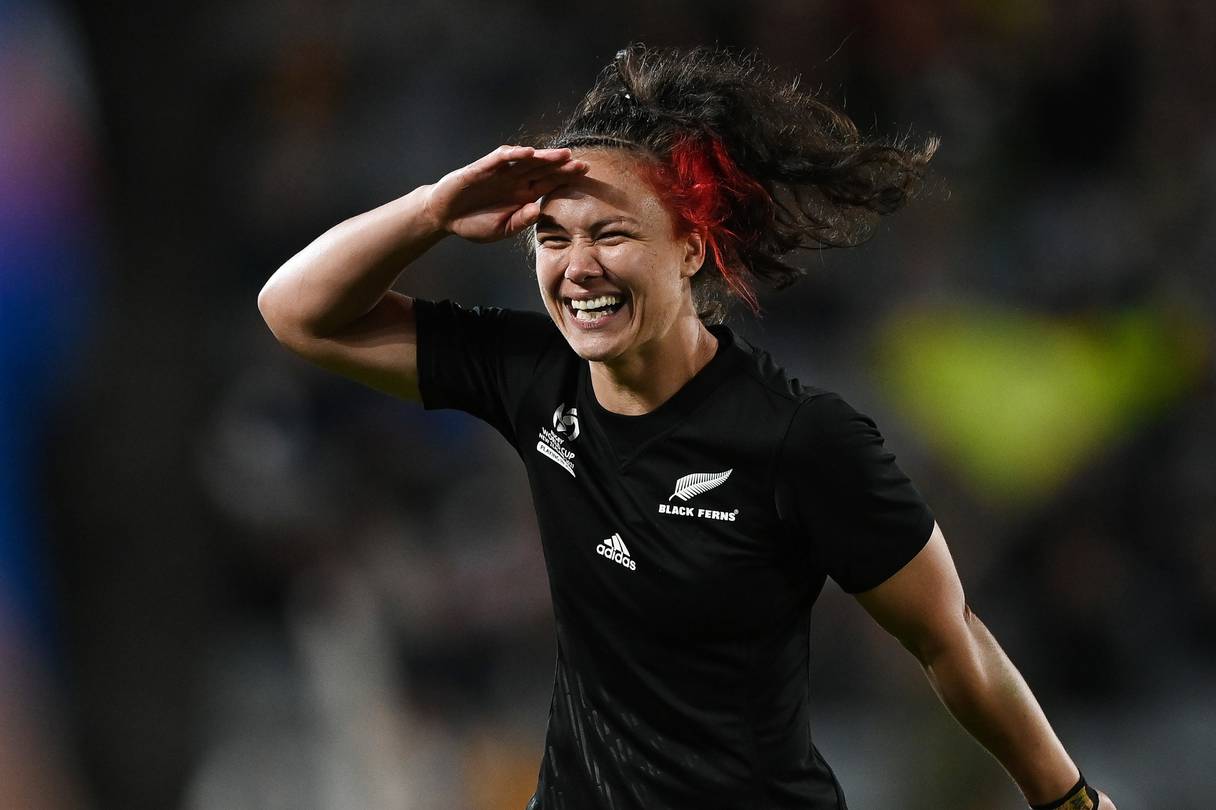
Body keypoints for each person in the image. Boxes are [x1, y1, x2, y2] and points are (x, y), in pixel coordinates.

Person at [258, 45, 1116, 810]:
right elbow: (295, 311)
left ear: (692, 248)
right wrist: (432, 212)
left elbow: (949, 638)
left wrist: (1069, 799)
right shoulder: (532, 373)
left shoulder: (798, 439)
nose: (578, 267)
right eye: (552, 237)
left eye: (611, 234)